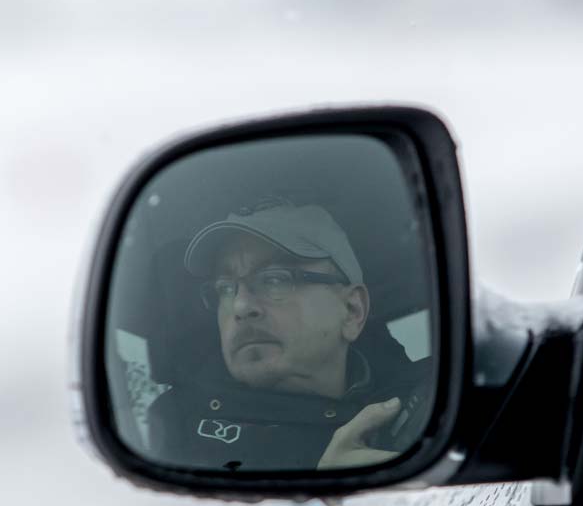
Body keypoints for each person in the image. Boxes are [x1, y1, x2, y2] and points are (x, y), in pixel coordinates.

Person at [145, 199, 432, 471]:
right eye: (225, 288)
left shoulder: (423, 404)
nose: (241, 306)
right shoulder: (176, 425)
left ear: (352, 310)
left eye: (274, 279)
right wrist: (329, 487)